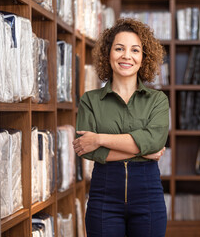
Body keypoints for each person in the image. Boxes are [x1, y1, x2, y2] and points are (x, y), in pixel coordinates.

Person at [72, 18, 169, 237]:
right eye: (119, 48)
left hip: (148, 197)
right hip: (103, 198)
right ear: (108, 54)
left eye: (135, 50)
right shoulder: (90, 100)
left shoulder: (158, 100)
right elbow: (87, 150)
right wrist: (143, 150)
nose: (127, 56)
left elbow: (155, 141)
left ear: (144, 58)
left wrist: (99, 138)